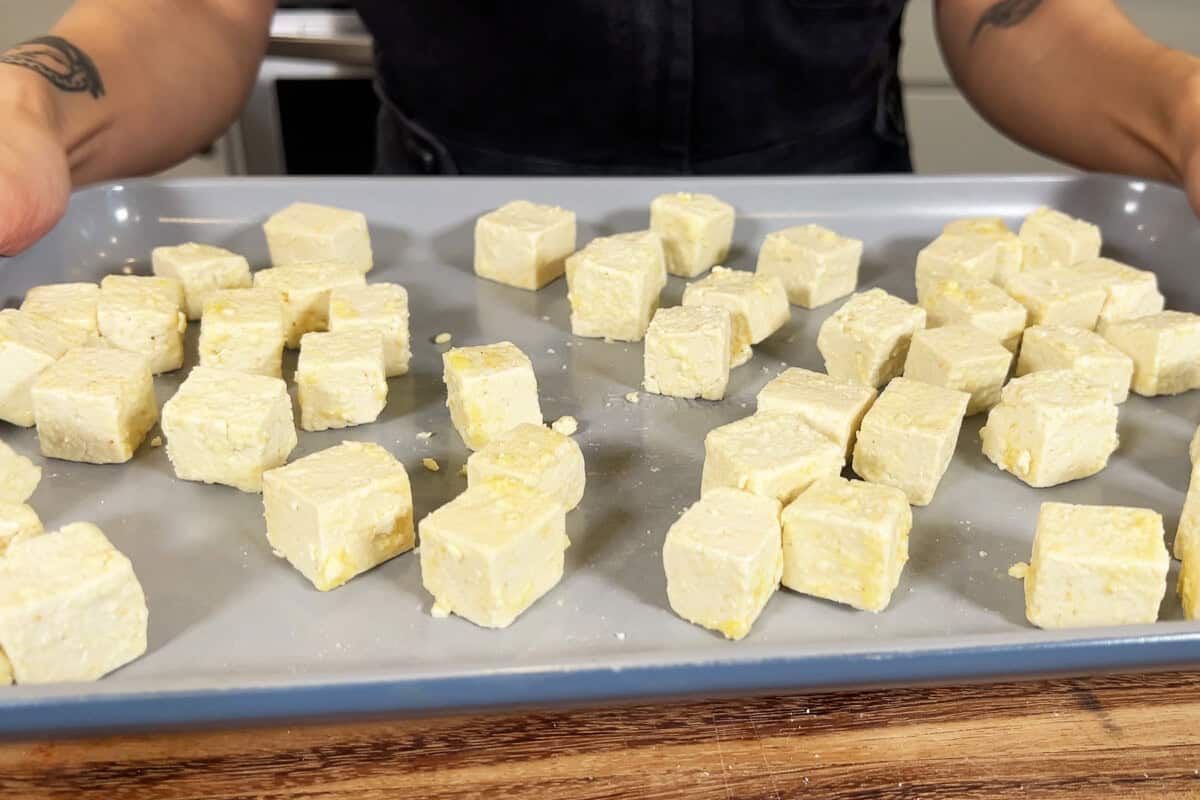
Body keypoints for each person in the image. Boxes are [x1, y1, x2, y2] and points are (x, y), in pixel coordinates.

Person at [1, 0, 1198, 256]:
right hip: (447, 233)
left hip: (835, 219)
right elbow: (205, 9)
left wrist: (1179, 105)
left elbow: (1011, 9)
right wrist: (38, 95)